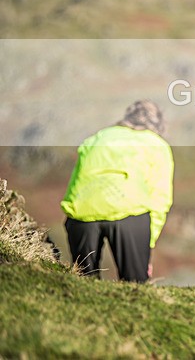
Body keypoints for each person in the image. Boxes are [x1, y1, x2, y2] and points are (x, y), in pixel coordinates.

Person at [60, 100, 174, 283]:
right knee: (136, 286)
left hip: (82, 213)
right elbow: (160, 198)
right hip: (129, 214)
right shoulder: (157, 144)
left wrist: (74, 213)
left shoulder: (98, 137)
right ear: (158, 125)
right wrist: (146, 245)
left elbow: (77, 180)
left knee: (82, 282)